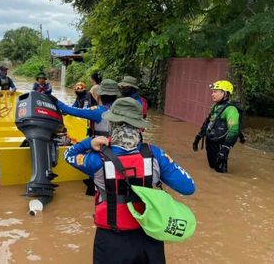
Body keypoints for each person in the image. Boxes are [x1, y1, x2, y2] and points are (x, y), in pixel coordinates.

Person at [64, 97, 195, 264]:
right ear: (140, 127)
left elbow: (68, 155)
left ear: (112, 124)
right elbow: (188, 187)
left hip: (111, 240)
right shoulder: (155, 155)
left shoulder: (96, 160)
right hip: (149, 237)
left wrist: (89, 142)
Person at [193, 80, 242, 173]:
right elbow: (208, 122)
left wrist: (225, 149)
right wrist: (198, 137)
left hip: (221, 146)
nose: (212, 94)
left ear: (224, 93)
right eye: (213, 91)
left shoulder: (231, 109)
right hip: (211, 142)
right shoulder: (215, 107)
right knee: (212, 167)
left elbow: (234, 130)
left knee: (220, 171)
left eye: (215, 91)